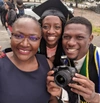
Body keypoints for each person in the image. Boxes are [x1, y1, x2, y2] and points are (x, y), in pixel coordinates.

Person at [0, 15, 54, 103]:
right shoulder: (1, 64)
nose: (25, 44)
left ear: (40, 40)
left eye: (33, 38)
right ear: (11, 35)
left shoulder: (47, 65)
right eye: (18, 36)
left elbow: (52, 99)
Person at [47, 16, 100, 103]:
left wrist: (95, 98)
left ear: (90, 39)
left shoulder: (98, 58)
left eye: (79, 37)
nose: (71, 43)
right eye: (67, 37)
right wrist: (60, 94)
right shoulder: (60, 60)